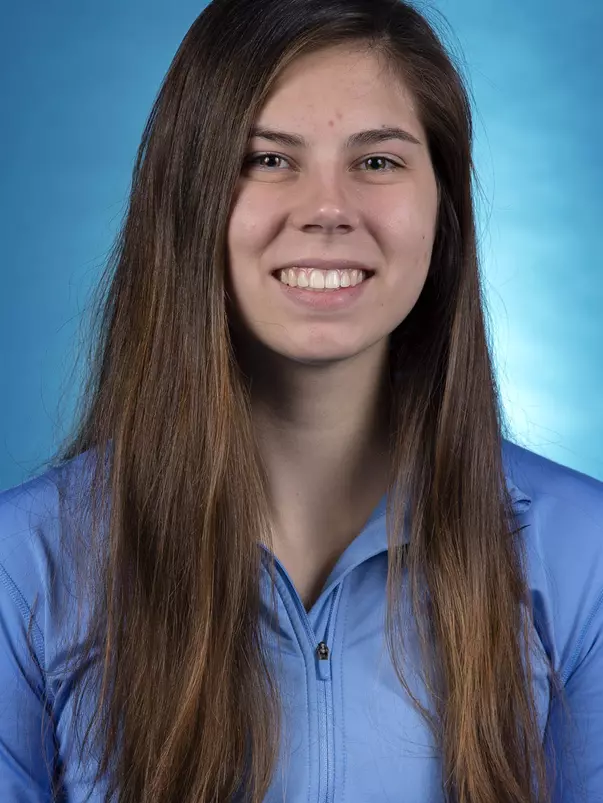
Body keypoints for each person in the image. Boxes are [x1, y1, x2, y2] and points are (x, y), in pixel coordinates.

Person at [0, 0, 602, 801]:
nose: (326, 208)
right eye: (268, 160)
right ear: (188, 201)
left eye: (378, 162)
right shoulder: (24, 565)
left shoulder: (583, 554)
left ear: (444, 211)